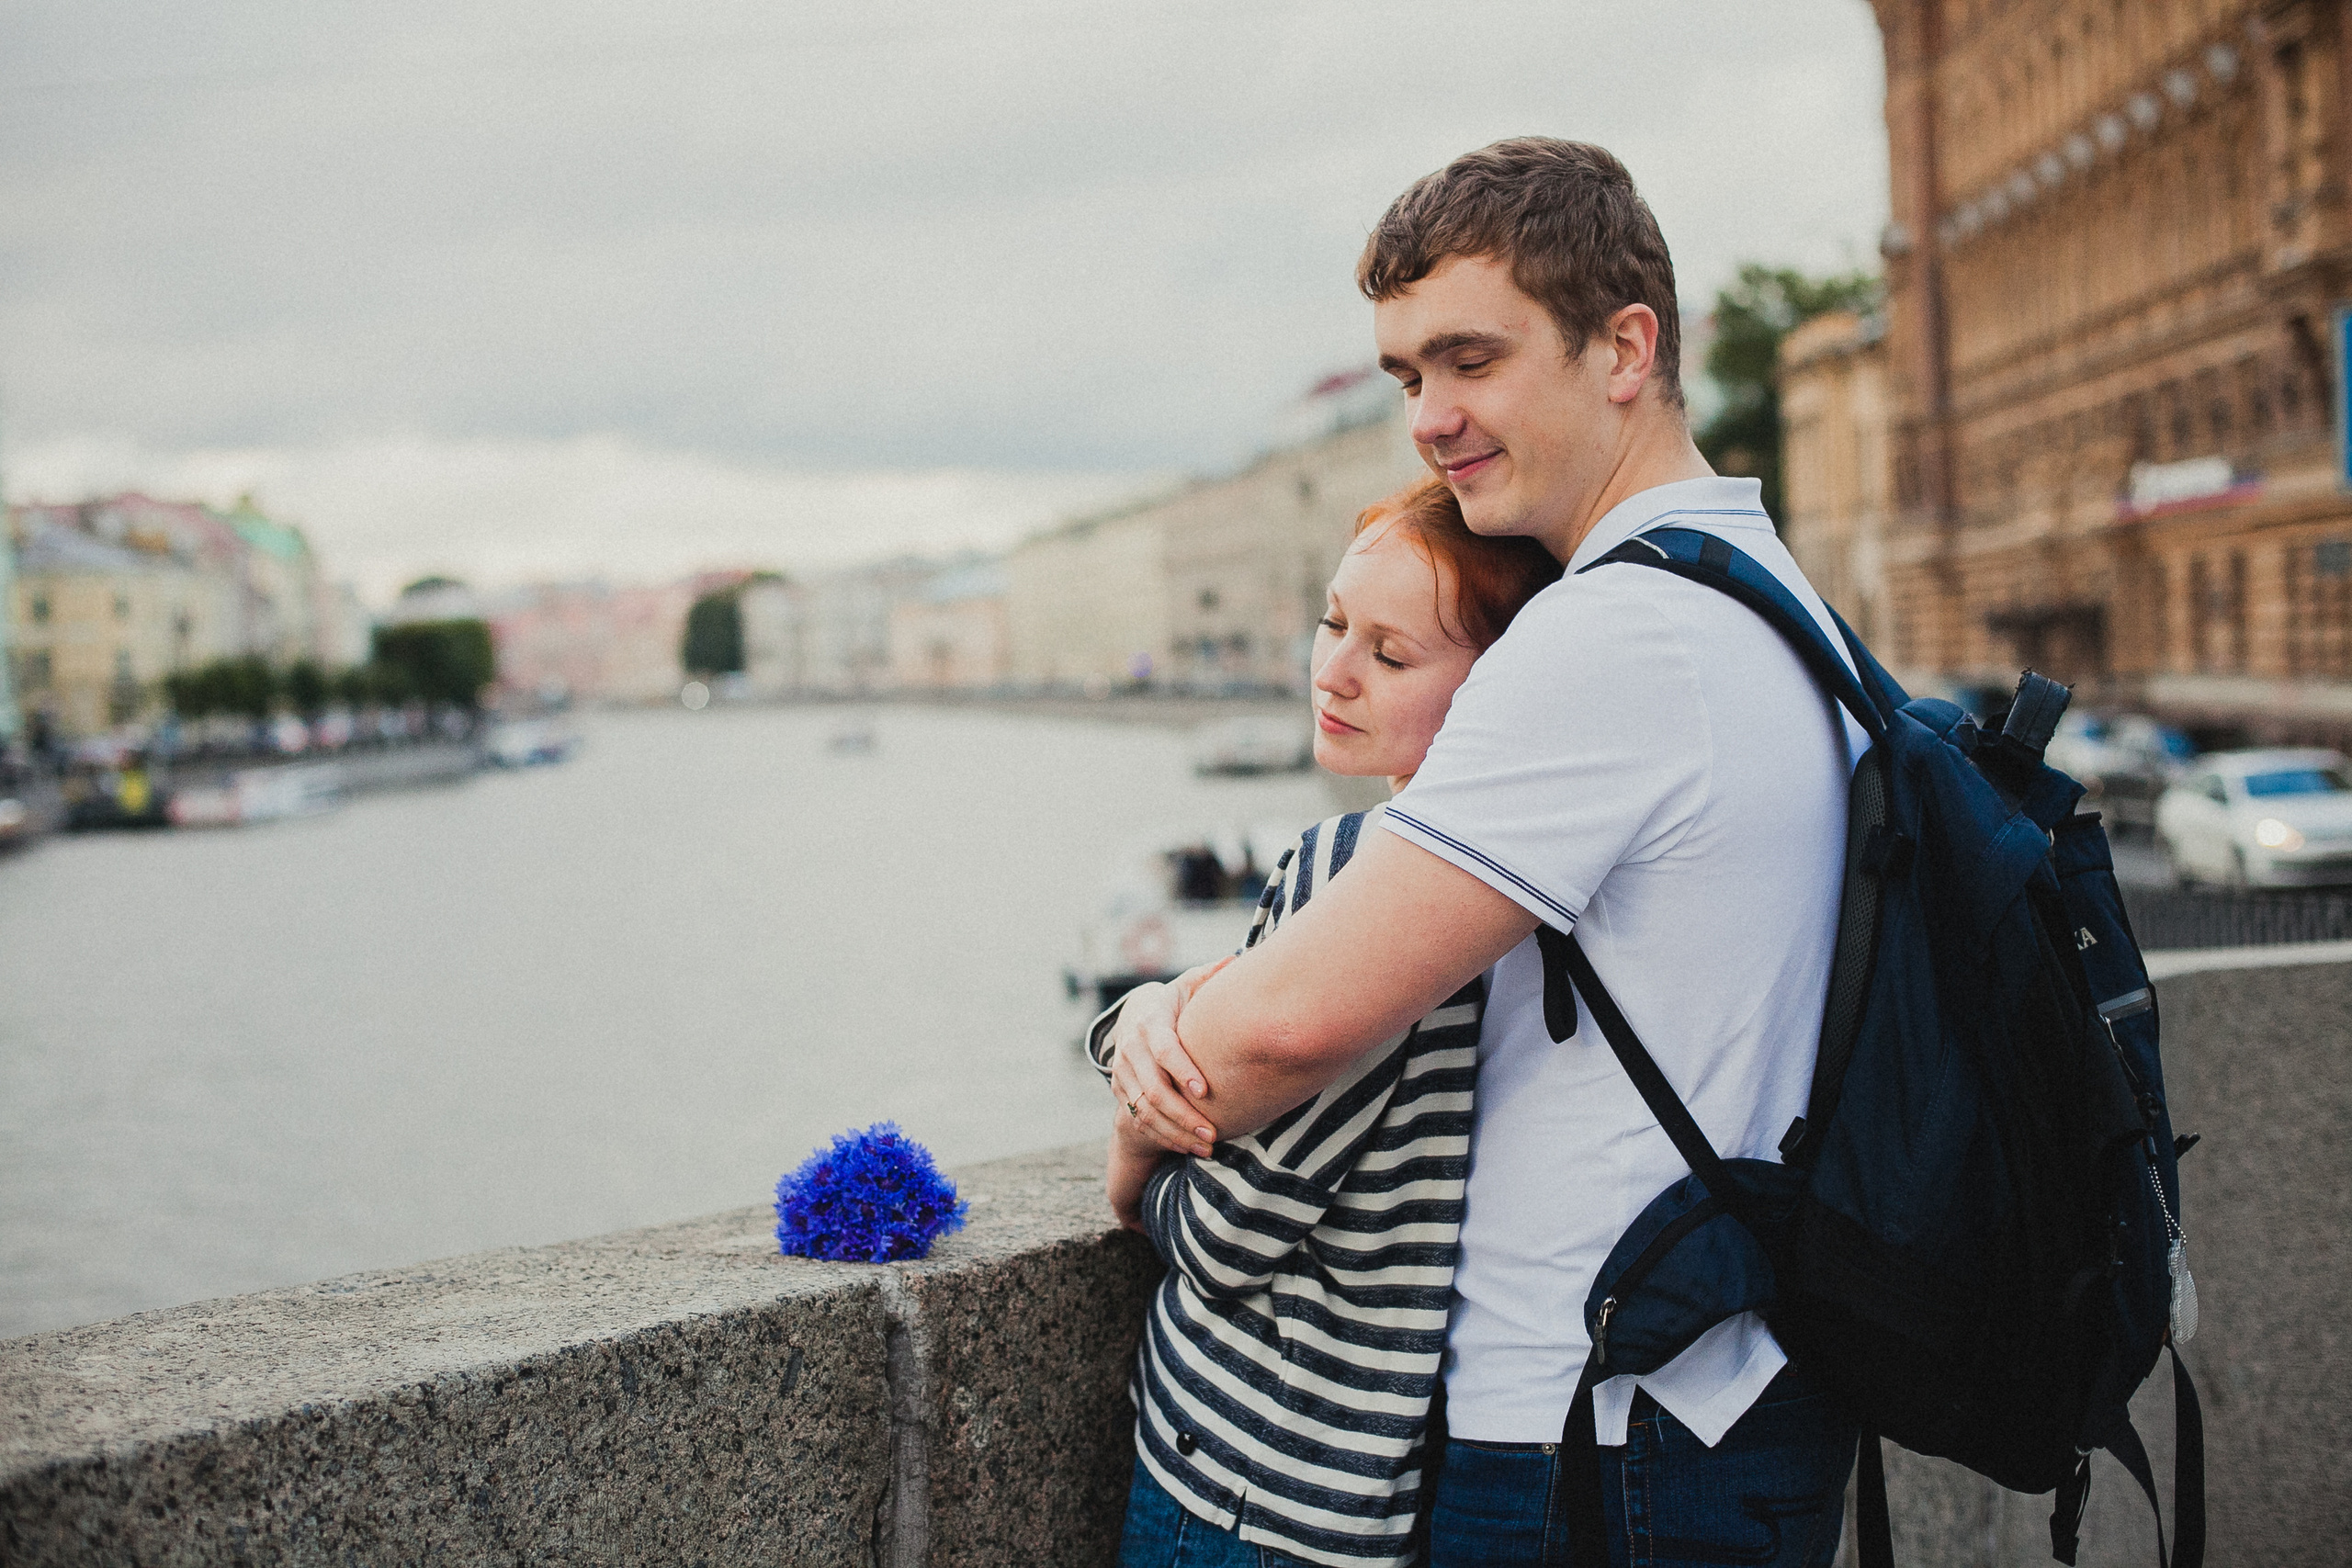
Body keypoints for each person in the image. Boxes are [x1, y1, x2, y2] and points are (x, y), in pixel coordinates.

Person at [1109, 139, 1870, 1566]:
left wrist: (1143, 1043)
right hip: (1732, 1382)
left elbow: (1284, 1026)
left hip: (1603, 1422)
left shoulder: (1613, 633)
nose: (1431, 418)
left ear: (1625, 348)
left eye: (1472, 360)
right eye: (1408, 375)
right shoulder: (1771, 592)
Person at [1099, 476, 1559, 1568]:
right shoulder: (1531, 880)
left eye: (1390, 656)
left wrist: (1131, 1170)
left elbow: (1229, 1232)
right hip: (1372, 1483)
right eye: (1333, 621)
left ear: (1502, 692)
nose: (1333, 671)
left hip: (1241, 1472)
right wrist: (1145, 1012)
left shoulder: (1356, 870)